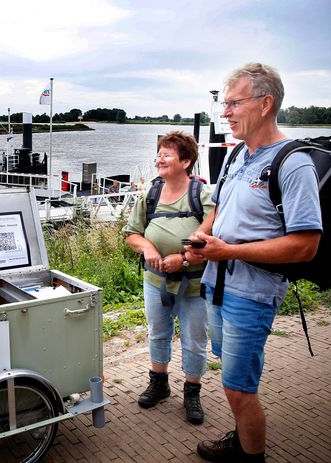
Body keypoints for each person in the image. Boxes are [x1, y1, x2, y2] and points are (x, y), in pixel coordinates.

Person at [185, 63, 321, 462]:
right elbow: (218, 209)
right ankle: (244, 435)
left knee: (238, 387)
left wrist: (228, 251)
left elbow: (305, 245)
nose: (224, 112)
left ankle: (251, 455)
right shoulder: (237, 156)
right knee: (233, 377)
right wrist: (203, 238)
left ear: (265, 103)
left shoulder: (293, 163)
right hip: (216, 284)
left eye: (232, 103)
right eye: (223, 104)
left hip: (253, 293)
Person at [122, 131, 214, 424]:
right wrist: (148, 247)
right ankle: (159, 384)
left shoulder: (203, 196)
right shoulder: (149, 195)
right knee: (158, 332)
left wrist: (184, 259)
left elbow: (214, 235)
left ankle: (192, 393)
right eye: (159, 153)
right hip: (156, 282)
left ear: (186, 161)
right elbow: (131, 234)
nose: (159, 159)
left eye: (167, 154)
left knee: (194, 339)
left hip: (195, 284)